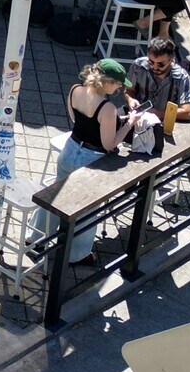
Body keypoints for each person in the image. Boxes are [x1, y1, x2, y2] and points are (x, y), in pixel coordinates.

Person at [45, 60, 128, 262]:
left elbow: (75, 118)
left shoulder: (75, 90)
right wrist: (127, 125)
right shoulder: (107, 108)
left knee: (56, 196)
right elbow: (109, 144)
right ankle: (77, 254)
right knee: (87, 210)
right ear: (107, 82)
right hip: (91, 160)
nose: (120, 88)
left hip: (70, 149)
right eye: (118, 84)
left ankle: (36, 237)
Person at [128, 37, 190, 127]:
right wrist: (131, 100)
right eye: (151, 62)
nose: (155, 67)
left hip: (165, 124)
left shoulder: (181, 76)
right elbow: (128, 90)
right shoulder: (138, 66)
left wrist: (158, 113)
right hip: (139, 120)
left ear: (172, 60)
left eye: (161, 64)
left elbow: (187, 112)